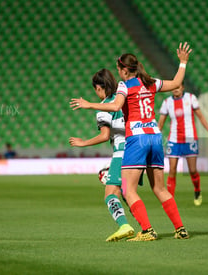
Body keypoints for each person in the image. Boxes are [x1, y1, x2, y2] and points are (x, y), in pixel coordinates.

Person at [70, 42, 192, 241]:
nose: (118, 73)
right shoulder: (151, 82)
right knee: (160, 189)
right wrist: (183, 62)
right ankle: (180, 229)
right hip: (154, 135)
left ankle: (147, 230)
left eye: (118, 69)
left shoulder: (124, 86)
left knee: (128, 189)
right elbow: (177, 83)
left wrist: (88, 105)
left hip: (137, 138)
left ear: (124, 70)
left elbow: (116, 104)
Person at [69, 68, 134, 241]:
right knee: (128, 192)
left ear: (99, 88)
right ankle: (146, 228)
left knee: (110, 194)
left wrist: (83, 143)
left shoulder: (103, 107)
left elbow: (105, 136)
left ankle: (124, 225)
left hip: (122, 151)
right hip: (137, 149)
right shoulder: (123, 99)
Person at [158, 83, 208, 206]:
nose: (175, 90)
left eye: (177, 87)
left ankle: (197, 191)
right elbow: (161, 122)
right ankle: (170, 200)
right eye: (173, 88)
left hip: (190, 139)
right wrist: (156, 137)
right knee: (172, 170)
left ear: (183, 88)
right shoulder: (167, 102)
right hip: (174, 140)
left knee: (193, 170)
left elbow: (200, 116)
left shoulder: (191, 98)